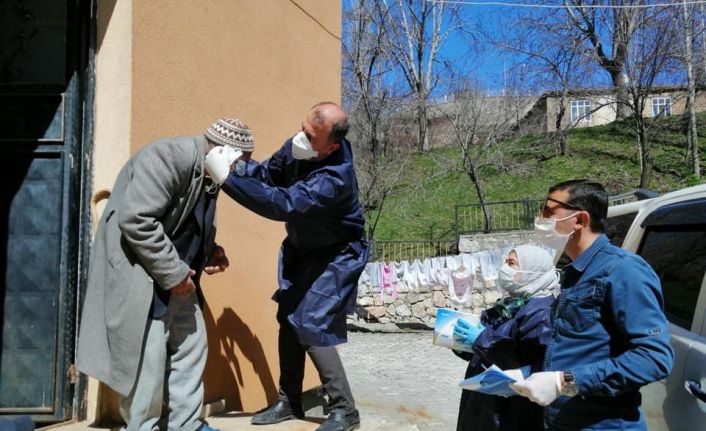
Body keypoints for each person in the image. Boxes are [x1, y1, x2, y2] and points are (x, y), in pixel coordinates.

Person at [76, 118, 255, 431]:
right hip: (142, 273)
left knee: (191, 345)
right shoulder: (171, 156)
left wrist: (210, 252)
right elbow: (137, 220)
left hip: (177, 278)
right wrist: (174, 273)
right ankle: (142, 427)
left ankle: (183, 425)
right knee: (148, 358)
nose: (241, 170)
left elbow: (184, 223)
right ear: (225, 152)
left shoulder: (209, 175)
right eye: (241, 162)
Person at [220, 102, 368, 431]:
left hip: (337, 254)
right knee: (288, 317)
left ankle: (345, 410)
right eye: (302, 128)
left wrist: (226, 181)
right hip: (302, 248)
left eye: (311, 136)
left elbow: (282, 203)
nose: (300, 137)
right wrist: (236, 167)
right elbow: (268, 175)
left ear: (331, 145)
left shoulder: (335, 178)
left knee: (311, 323)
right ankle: (290, 400)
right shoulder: (300, 145)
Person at [510, 179, 674, 430]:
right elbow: (577, 346)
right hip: (564, 421)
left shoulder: (624, 270)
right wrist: (530, 376)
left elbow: (654, 358)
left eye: (549, 210)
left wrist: (563, 382)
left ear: (579, 220)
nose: (540, 218)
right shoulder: (573, 272)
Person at [453, 245, 558, 431]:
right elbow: (485, 348)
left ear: (532, 271)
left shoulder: (542, 313)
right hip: (483, 404)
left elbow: (527, 365)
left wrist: (481, 340)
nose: (505, 269)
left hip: (510, 413)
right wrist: (462, 344)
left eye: (512, 263)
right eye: (505, 262)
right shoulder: (508, 304)